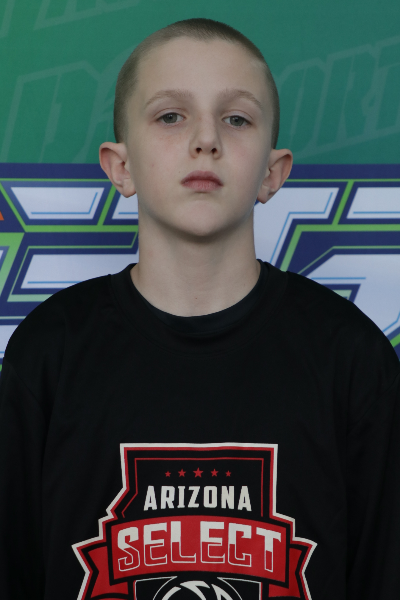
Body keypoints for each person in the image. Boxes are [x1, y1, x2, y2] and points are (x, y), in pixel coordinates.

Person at [0, 18, 399, 600]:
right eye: (170, 116)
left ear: (272, 172)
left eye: (236, 119)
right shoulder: (49, 353)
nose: (206, 139)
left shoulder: (351, 360)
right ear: (121, 165)